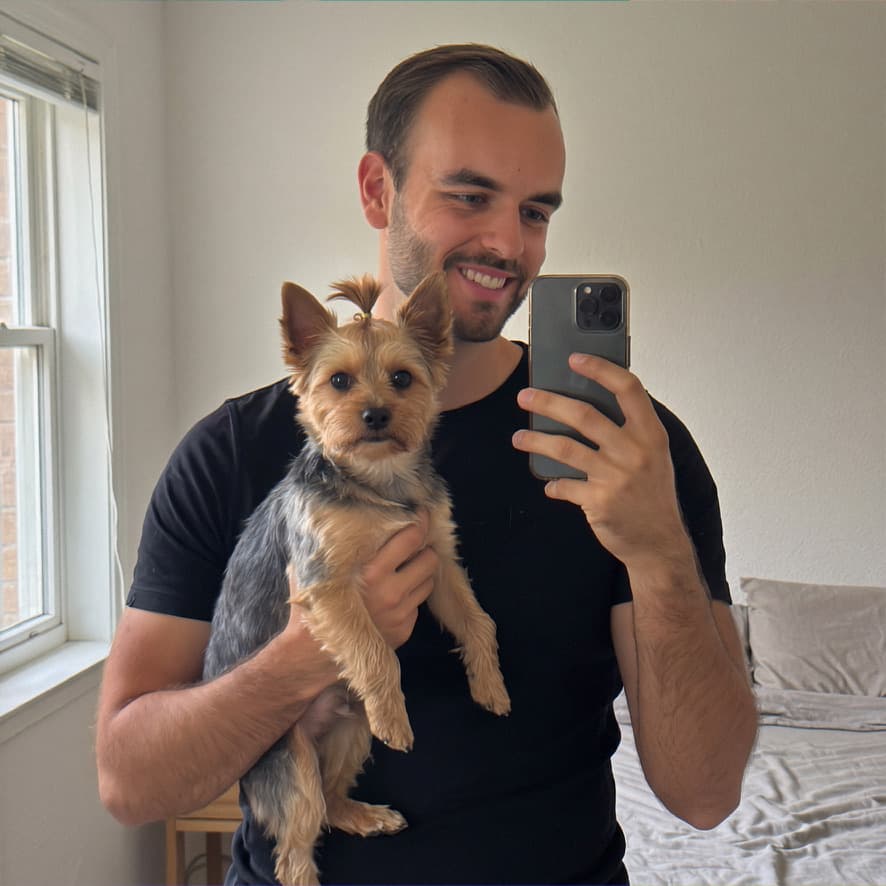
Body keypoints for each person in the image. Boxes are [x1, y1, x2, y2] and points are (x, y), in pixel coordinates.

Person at [96, 44, 757, 885]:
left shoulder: (629, 453)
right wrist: (306, 655)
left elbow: (705, 794)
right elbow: (131, 783)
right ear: (379, 190)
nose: (508, 243)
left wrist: (660, 551)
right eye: (470, 196)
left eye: (536, 211)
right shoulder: (231, 454)